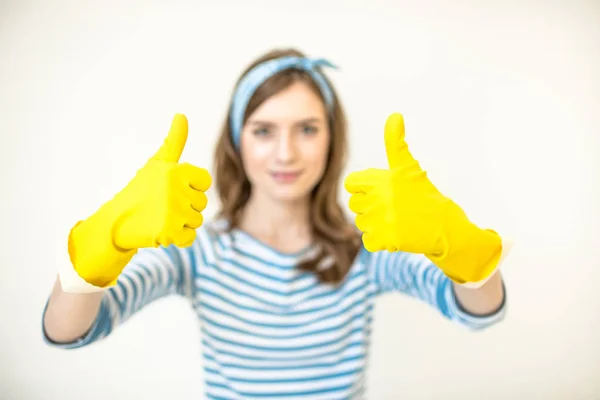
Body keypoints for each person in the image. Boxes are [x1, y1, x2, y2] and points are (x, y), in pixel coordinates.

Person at [42, 47, 511, 399]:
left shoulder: (364, 252)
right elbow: (69, 331)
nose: (285, 153)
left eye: (307, 129)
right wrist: (100, 244)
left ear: (331, 139)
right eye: (263, 130)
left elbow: (478, 311)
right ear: (237, 143)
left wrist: (461, 245)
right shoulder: (196, 252)